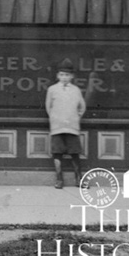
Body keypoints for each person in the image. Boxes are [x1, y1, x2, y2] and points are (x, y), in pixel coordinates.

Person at [45, 58, 85, 189]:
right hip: (57, 127)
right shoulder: (52, 89)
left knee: (75, 152)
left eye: (67, 75)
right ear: (57, 75)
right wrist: (56, 118)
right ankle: (59, 179)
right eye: (61, 74)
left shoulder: (76, 90)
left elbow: (82, 107)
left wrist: (74, 118)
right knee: (57, 153)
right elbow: (48, 107)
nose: (64, 77)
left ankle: (79, 178)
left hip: (72, 127)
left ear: (72, 76)